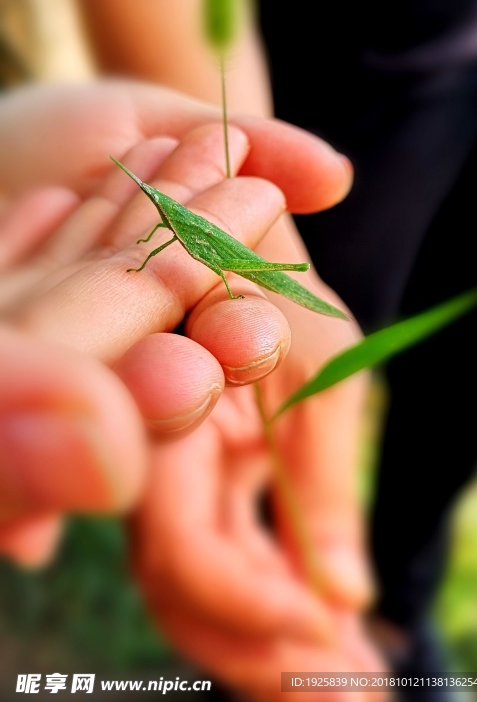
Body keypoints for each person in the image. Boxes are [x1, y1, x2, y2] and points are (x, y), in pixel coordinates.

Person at [65, 0, 477, 695]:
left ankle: (399, 609)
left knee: (476, 367)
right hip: (350, 66)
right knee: (296, 400)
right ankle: (300, 640)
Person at [0, 78, 356, 592]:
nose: (154, 204)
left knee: (238, 297)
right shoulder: (165, 219)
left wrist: (228, 284)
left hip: (231, 255)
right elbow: (156, 236)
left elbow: (197, 249)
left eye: (152, 197)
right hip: (195, 244)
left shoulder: (186, 223)